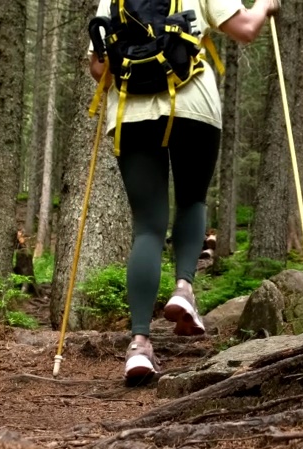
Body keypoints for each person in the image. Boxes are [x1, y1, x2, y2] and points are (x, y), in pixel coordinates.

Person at [88, 0, 279, 383]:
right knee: (192, 198)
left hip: (132, 113)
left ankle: (139, 345)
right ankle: (183, 288)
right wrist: (266, 7)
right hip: (194, 105)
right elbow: (244, 29)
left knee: (147, 228)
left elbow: (98, 66)